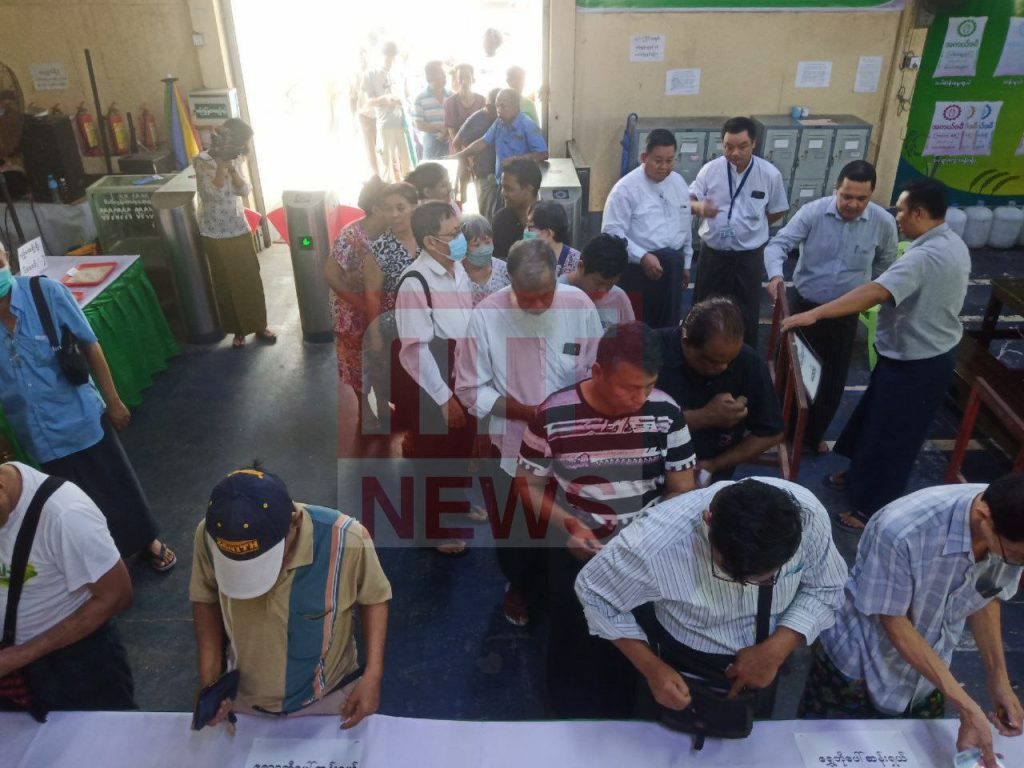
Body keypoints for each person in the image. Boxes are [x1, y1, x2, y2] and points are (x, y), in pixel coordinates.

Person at [518, 322, 697, 717]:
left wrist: (645, 538)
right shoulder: (552, 415)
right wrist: (570, 525)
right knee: (575, 642)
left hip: (644, 555)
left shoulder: (666, 412)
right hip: (578, 551)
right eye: (629, 388)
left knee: (638, 642)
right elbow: (527, 485)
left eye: (649, 386)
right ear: (597, 372)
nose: (640, 398)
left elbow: (682, 488)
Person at [782, 177, 971, 531]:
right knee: (874, 422)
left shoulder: (927, 256)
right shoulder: (949, 241)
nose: (896, 216)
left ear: (919, 213)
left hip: (920, 363)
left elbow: (875, 292)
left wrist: (816, 313)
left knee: (897, 438)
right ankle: (858, 475)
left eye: (901, 209)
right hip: (903, 354)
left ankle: (873, 507)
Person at [800, 475, 1024, 768]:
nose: (1016, 563)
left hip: (928, 672)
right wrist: (968, 707)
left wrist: (998, 679)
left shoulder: (1011, 521)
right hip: (860, 664)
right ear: (984, 516)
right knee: (832, 754)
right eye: (1015, 557)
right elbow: (893, 621)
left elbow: (985, 592)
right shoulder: (903, 530)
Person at [576, 477, 847, 719]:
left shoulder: (808, 516)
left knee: (750, 741)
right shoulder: (652, 542)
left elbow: (825, 587)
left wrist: (776, 650)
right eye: (730, 573)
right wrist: (652, 669)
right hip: (683, 655)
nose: (749, 585)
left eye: (766, 579)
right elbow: (594, 593)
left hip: (770, 651)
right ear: (707, 521)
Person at [455, 239, 603, 626]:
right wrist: (531, 414)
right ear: (510, 283)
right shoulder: (486, 316)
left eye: (545, 295)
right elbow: (469, 388)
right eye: (527, 297)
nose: (537, 305)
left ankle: (561, 588)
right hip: (512, 444)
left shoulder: (579, 306)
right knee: (515, 528)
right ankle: (518, 586)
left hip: (571, 442)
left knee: (567, 521)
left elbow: (595, 369)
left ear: (557, 278)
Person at [0, 248, 175, 572]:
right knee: (69, 502)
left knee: (115, 484)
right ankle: (103, 560)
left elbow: (89, 344)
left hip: (79, 415)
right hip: (36, 432)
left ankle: (146, 540)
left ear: (7, 258)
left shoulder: (45, 293)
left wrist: (113, 401)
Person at [190, 467, 391, 725]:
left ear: (294, 520)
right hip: (243, 696)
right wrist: (209, 680)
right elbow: (205, 597)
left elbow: (374, 597)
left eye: (263, 559)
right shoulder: (210, 536)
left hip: (330, 696)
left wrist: (373, 673)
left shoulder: (346, 539)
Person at [763, 160, 898, 455]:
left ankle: (811, 436)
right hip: (804, 307)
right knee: (789, 371)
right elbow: (778, 245)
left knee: (830, 380)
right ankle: (775, 429)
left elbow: (887, 266)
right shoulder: (812, 213)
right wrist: (775, 276)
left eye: (861, 198)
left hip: (844, 315)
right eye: (846, 196)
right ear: (836, 188)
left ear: (871, 195)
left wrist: (867, 295)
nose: (852, 204)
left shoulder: (883, 223)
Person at [0, 462, 135, 714]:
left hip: (77, 667)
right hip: (14, 670)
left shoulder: (65, 513)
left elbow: (116, 595)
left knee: (102, 736)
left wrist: (17, 656)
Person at [655, 297, 784, 484]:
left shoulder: (748, 362)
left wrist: (714, 465)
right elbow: (628, 425)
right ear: (686, 342)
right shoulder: (652, 353)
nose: (723, 368)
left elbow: (771, 432)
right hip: (651, 468)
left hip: (709, 473)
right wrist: (704, 417)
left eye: (730, 361)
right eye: (712, 361)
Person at [691, 116, 789, 347]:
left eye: (742, 146)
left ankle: (744, 356)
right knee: (704, 310)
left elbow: (777, 210)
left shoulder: (769, 174)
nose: (734, 153)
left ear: (754, 143)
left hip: (748, 257)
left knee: (745, 313)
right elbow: (690, 200)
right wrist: (700, 207)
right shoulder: (710, 170)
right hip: (713, 255)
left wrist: (751, 228)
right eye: (728, 146)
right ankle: (700, 352)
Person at [193, 118, 277, 349]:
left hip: (238, 226)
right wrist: (221, 167)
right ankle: (238, 330)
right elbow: (212, 194)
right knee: (225, 282)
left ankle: (259, 325)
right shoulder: (201, 161)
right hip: (214, 231)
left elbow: (244, 190)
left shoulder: (236, 158)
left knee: (250, 278)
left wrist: (232, 168)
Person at [601, 129, 694, 329]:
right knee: (640, 328)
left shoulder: (678, 182)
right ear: (644, 157)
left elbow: (685, 222)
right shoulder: (625, 189)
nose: (665, 167)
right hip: (640, 269)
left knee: (668, 326)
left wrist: (686, 261)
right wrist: (642, 256)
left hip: (672, 266)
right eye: (658, 161)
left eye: (670, 161)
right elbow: (612, 233)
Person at [324, 176, 390, 430]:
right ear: (376, 208)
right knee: (356, 360)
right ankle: (365, 410)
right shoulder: (351, 235)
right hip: (350, 309)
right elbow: (331, 275)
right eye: (391, 206)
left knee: (381, 357)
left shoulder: (390, 233)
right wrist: (361, 305)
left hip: (379, 306)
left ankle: (383, 403)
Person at [365, 182, 421, 427]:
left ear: (414, 207)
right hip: (396, 326)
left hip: (431, 322)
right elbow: (372, 295)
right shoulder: (380, 249)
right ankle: (410, 427)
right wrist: (376, 335)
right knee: (404, 380)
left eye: (400, 207)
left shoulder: (428, 238)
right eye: (388, 209)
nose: (394, 214)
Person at [450, 88, 547, 185]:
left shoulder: (528, 125)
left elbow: (543, 154)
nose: (499, 110)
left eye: (503, 106)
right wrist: (457, 156)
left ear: (515, 106)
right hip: (501, 181)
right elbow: (482, 142)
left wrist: (515, 160)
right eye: (497, 106)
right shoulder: (499, 123)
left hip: (520, 184)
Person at [559, 233, 635, 330]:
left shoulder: (618, 297)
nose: (603, 291)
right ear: (581, 266)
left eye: (610, 285)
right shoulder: (557, 294)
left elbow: (631, 336)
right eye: (598, 283)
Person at [362, 41, 413, 182]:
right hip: (385, 124)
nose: (390, 59)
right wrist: (383, 100)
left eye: (393, 56)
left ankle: (411, 191)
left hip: (403, 123)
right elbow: (367, 102)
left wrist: (404, 103)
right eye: (387, 55)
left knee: (409, 165)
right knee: (386, 166)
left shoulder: (401, 72)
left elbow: (408, 95)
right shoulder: (371, 73)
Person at [453, 89, 500, 219]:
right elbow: (457, 142)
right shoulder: (476, 119)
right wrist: (467, 162)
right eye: (495, 107)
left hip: (501, 172)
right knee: (486, 213)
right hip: (483, 172)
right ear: (488, 105)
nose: (498, 111)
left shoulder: (503, 119)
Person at [444, 64, 485, 204]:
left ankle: (481, 209)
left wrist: (474, 151)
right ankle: (461, 207)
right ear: (456, 79)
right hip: (458, 147)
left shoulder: (481, 100)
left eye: (467, 77)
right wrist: (463, 154)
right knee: (461, 181)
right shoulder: (450, 103)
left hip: (479, 147)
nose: (464, 81)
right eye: (460, 77)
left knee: (481, 182)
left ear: (473, 78)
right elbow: (451, 131)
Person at [491, 158, 541, 261]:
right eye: (502, 187)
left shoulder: (550, 220)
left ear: (529, 189)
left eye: (509, 189)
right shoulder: (501, 221)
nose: (503, 193)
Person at [460, 214, 510, 306]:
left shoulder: (505, 271)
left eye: (487, 242)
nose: (483, 249)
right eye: (476, 245)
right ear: (463, 247)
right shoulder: (457, 275)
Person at [411, 61, 452, 161]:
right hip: (431, 139)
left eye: (445, 74)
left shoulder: (452, 96)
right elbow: (418, 125)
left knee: (452, 166)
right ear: (430, 78)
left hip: (450, 137)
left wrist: (447, 131)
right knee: (431, 166)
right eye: (441, 74)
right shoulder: (420, 98)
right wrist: (439, 128)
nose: (445, 77)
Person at [527, 200, 579, 277]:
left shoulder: (576, 263)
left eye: (531, 227)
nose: (527, 230)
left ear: (548, 233)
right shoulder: (524, 257)